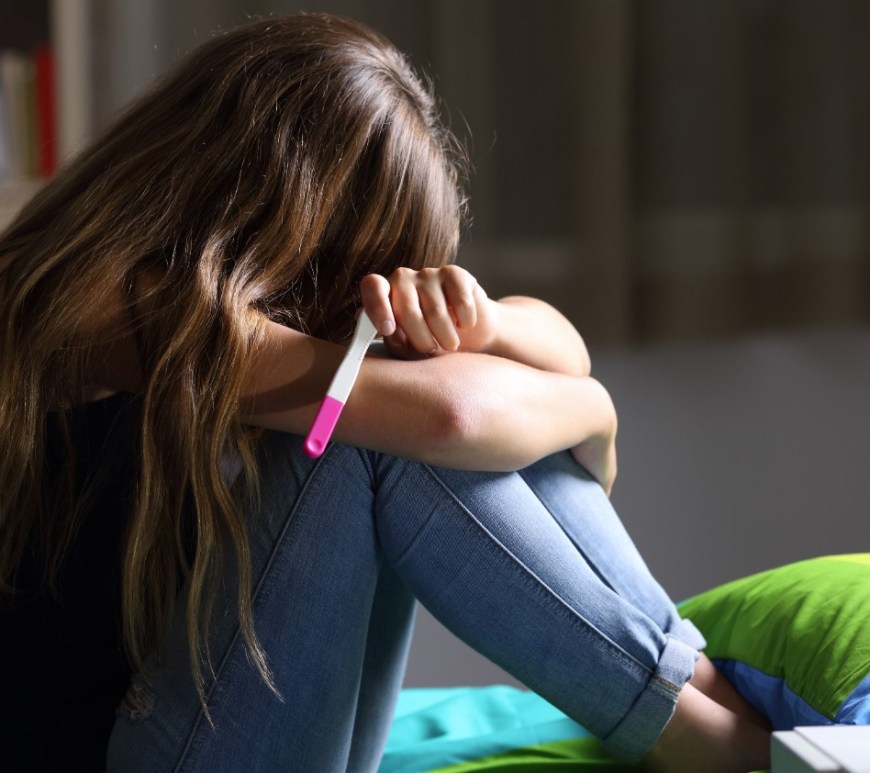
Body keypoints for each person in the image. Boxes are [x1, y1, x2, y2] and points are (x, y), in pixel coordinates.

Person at [0, 13, 771, 773]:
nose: (343, 304)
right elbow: (450, 416)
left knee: (396, 405)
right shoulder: (119, 306)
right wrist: (594, 411)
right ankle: (692, 720)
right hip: (111, 755)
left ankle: (696, 688)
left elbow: (555, 350)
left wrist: (489, 323)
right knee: (376, 431)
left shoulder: (189, 296)